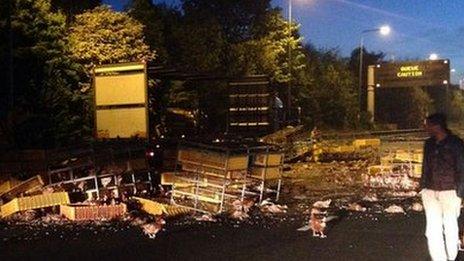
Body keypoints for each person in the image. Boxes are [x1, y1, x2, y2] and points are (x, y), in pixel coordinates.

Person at [420, 113, 464, 261]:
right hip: (430, 191)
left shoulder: (456, 143)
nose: (425, 127)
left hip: (450, 191)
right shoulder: (429, 144)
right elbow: (425, 167)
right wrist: (423, 188)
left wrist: (461, 192)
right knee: (432, 229)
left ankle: (452, 257)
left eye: (427, 124)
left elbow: (461, 167)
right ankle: (439, 258)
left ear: (436, 126)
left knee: (450, 226)